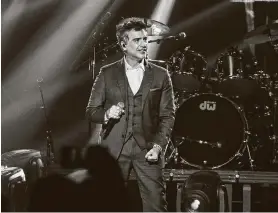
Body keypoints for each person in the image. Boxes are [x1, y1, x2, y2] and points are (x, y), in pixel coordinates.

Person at [86, 17, 175, 212]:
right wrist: (107, 114)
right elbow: (91, 111)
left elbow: (168, 116)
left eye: (145, 39)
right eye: (137, 40)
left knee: (156, 206)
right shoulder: (107, 73)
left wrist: (159, 146)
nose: (144, 44)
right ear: (123, 44)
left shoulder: (161, 75)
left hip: (148, 149)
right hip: (114, 150)